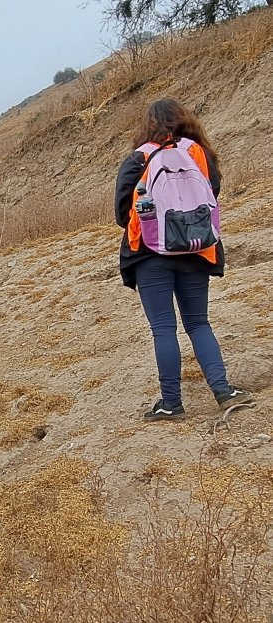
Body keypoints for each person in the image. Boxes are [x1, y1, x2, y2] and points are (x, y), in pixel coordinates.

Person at [116, 98, 251, 421]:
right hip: (196, 247)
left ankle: (171, 403)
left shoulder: (139, 157)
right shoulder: (199, 154)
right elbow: (211, 196)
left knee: (163, 328)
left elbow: (122, 212)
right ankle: (223, 390)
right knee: (199, 322)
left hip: (149, 254)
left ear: (148, 125)